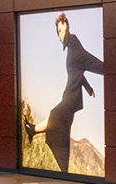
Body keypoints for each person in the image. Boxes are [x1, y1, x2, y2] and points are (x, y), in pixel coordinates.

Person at [24, 13, 104, 174]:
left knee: (56, 115)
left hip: (71, 98)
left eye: (60, 30)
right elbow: (78, 71)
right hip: (69, 97)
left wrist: (109, 68)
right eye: (58, 31)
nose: (59, 35)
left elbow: (88, 61)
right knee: (60, 125)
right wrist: (89, 88)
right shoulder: (72, 49)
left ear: (66, 27)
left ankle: (33, 130)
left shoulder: (74, 47)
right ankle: (62, 166)